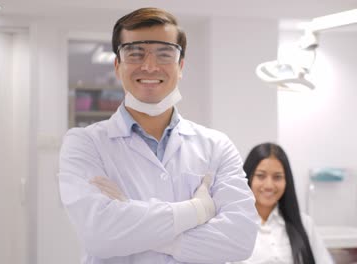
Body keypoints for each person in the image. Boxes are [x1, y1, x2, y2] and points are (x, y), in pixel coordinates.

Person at [58, 7, 259, 264]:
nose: (150, 66)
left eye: (164, 54)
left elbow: (239, 241)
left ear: (181, 65)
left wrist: (131, 224)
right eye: (135, 53)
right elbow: (98, 235)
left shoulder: (216, 146)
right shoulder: (85, 143)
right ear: (118, 66)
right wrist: (199, 210)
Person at [234, 143, 333, 264]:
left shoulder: (304, 224)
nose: (269, 185)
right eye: (261, 176)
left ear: (287, 181)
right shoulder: (232, 225)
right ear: (248, 177)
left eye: (277, 177)